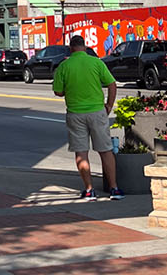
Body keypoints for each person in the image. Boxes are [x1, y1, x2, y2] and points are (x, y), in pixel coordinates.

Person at [51, 35, 119, 198]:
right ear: (85, 47)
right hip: (97, 111)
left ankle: (89, 190)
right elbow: (112, 84)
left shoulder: (64, 65)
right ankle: (114, 188)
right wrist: (109, 105)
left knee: (81, 153)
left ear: (71, 48)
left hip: (75, 113)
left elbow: (58, 91)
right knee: (105, 150)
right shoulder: (96, 62)